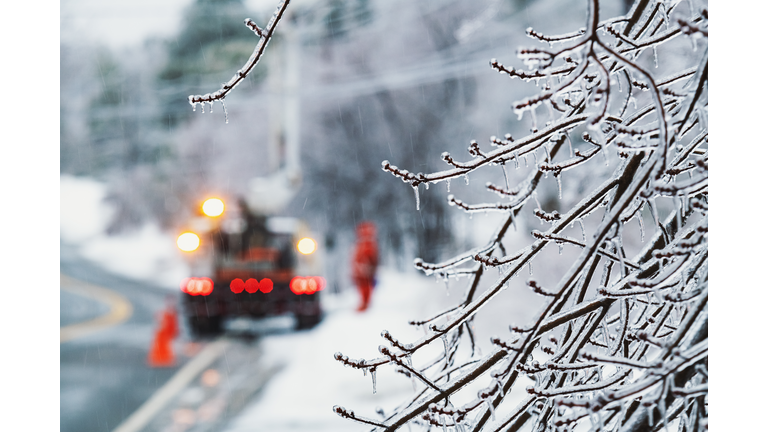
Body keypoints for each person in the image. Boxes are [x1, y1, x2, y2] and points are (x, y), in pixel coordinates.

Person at [351, 221, 378, 312]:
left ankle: (365, 303)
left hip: (364, 271)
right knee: (364, 287)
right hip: (361, 271)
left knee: (365, 287)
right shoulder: (364, 243)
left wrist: (364, 267)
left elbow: (370, 258)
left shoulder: (367, 243)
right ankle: (364, 303)